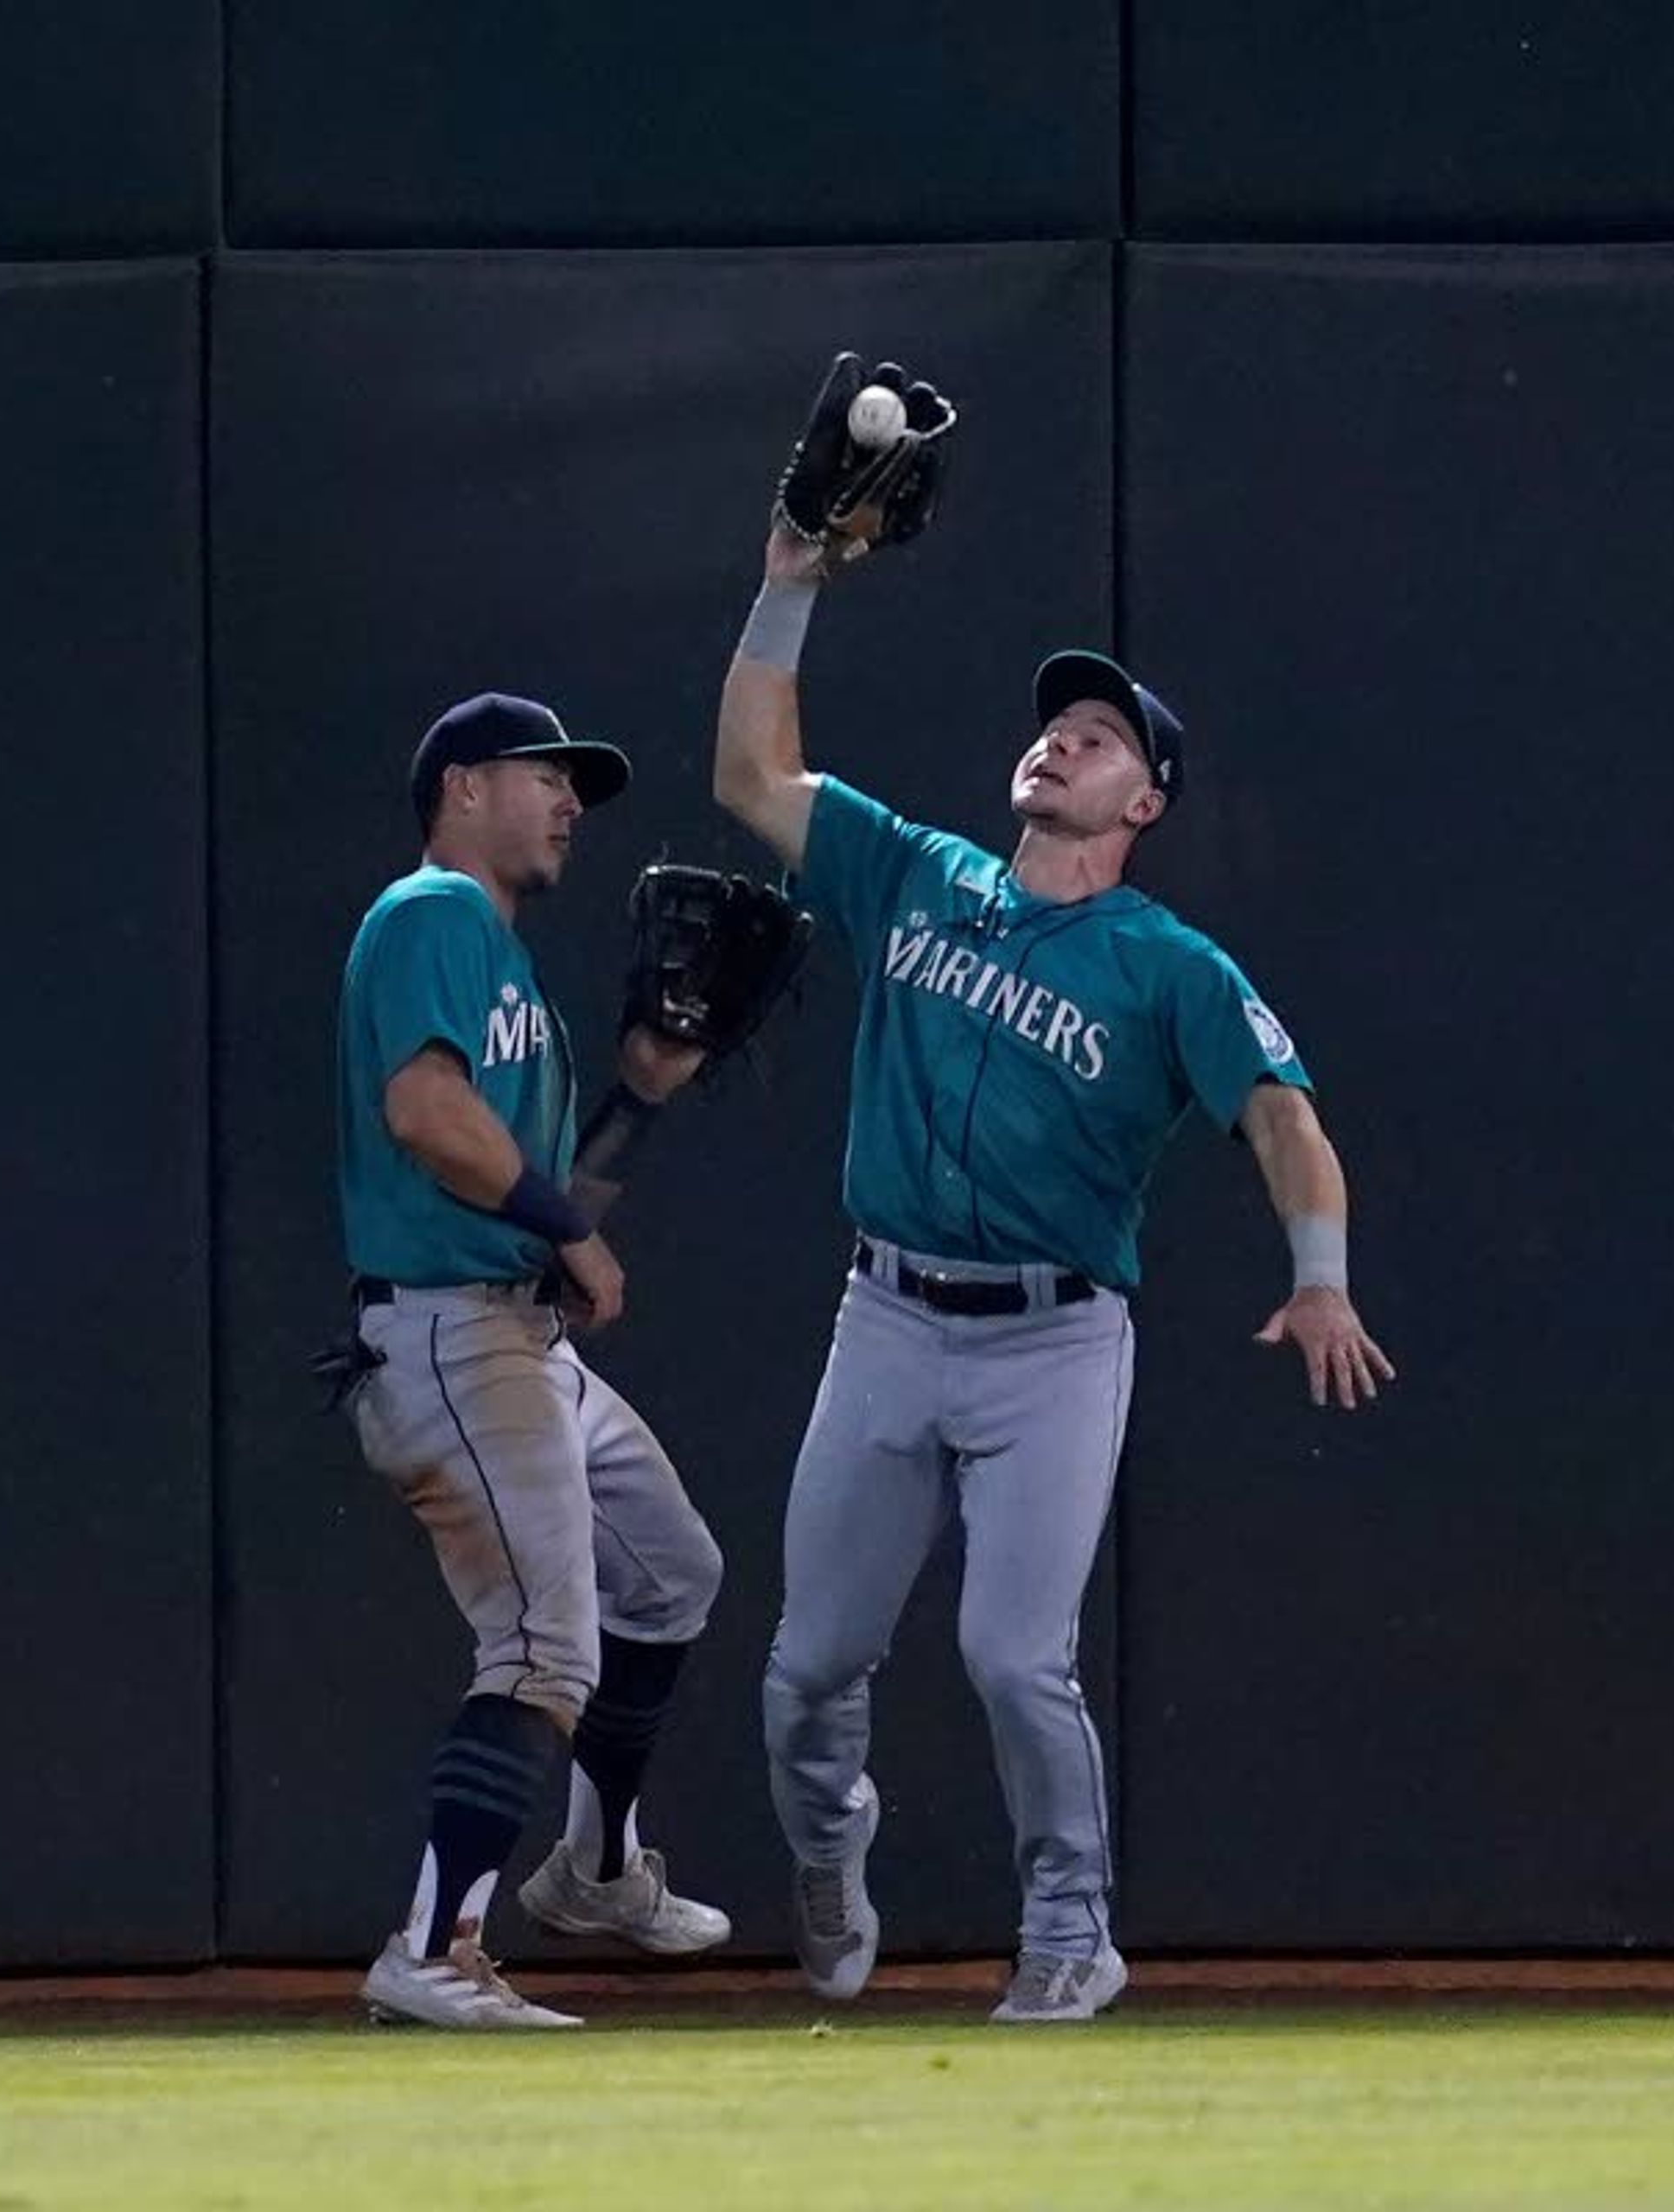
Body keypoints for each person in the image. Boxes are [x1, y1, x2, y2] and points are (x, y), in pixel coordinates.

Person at [712, 526, 1397, 2024]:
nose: (1061, 740)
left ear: (1143, 801)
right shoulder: (915, 875)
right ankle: (832, 1857)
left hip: (1051, 1344)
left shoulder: (1170, 967)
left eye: (1097, 739)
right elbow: (753, 779)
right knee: (807, 1669)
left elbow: (1285, 1121)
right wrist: (793, 585)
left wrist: (1323, 1274)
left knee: (1016, 1659)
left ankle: (1071, 1927)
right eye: (1055, 725)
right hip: (886, 1314)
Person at [334, 691, 730, 2030]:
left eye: (578, 786)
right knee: (544, 1648)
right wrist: (564, 1228)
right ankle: (435, 1950)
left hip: (518, 1327)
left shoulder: (505, 968)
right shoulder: (429, 915)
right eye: (545, 775)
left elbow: (556, 1207)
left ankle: (599, 1870)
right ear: (459, 786)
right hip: (451, 1327)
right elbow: (425, 1112)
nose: (570, 801)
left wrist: (641, 1098)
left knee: (671, 1575)